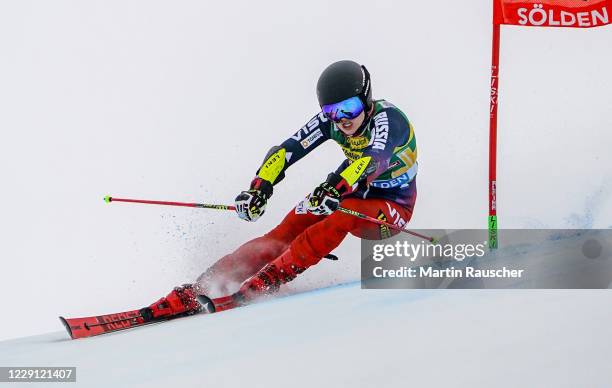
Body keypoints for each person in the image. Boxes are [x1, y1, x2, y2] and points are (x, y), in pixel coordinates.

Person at [144, 60, 419, 319]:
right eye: (331, 112)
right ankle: (202, 286)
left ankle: (271, 279)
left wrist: (334, 188)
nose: (341, 120)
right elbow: (287, 151)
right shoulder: (332, 124)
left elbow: (373, 159)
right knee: (283, 233)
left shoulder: (388, 120)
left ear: (366, 99)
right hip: (349, 186)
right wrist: (259, 188)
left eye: (348, 108)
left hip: (392, 205)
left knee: (344, 214)